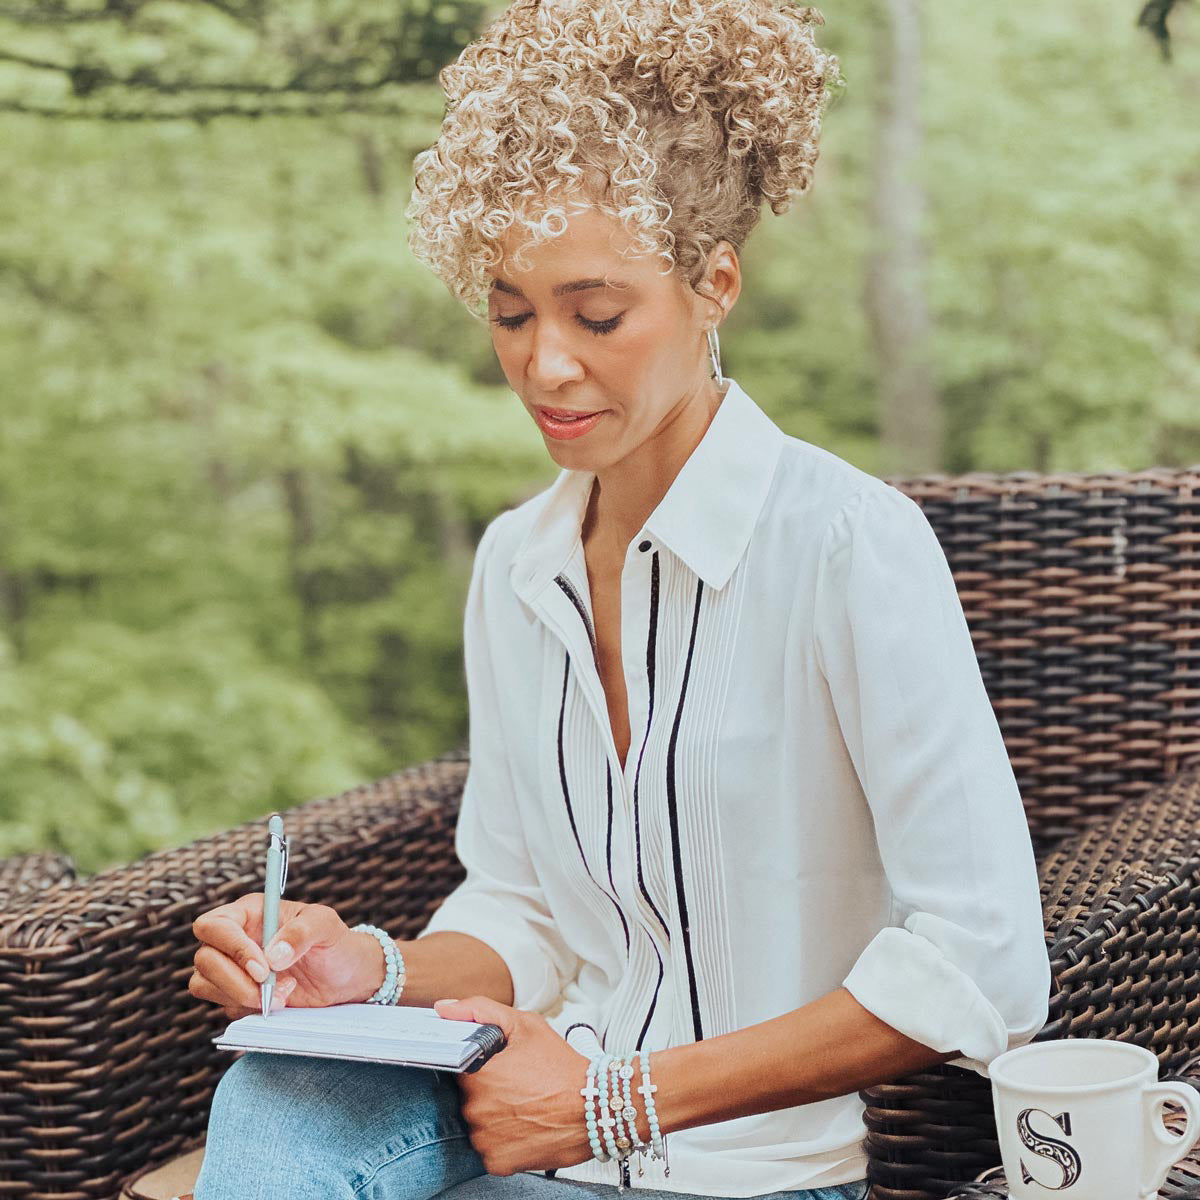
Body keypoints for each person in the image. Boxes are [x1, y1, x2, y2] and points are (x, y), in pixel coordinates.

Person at [185, 1, 1052, 1197]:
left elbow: (985, 965)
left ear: (713, 284)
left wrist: (613, 1103)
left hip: (746, 1171)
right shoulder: (514, 563)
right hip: (515, 1112)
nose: (545, 364)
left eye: (597, 314)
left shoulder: (851, 548)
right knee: (280, 1098)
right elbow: (525, 907)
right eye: (509, 312)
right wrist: (373, 973)